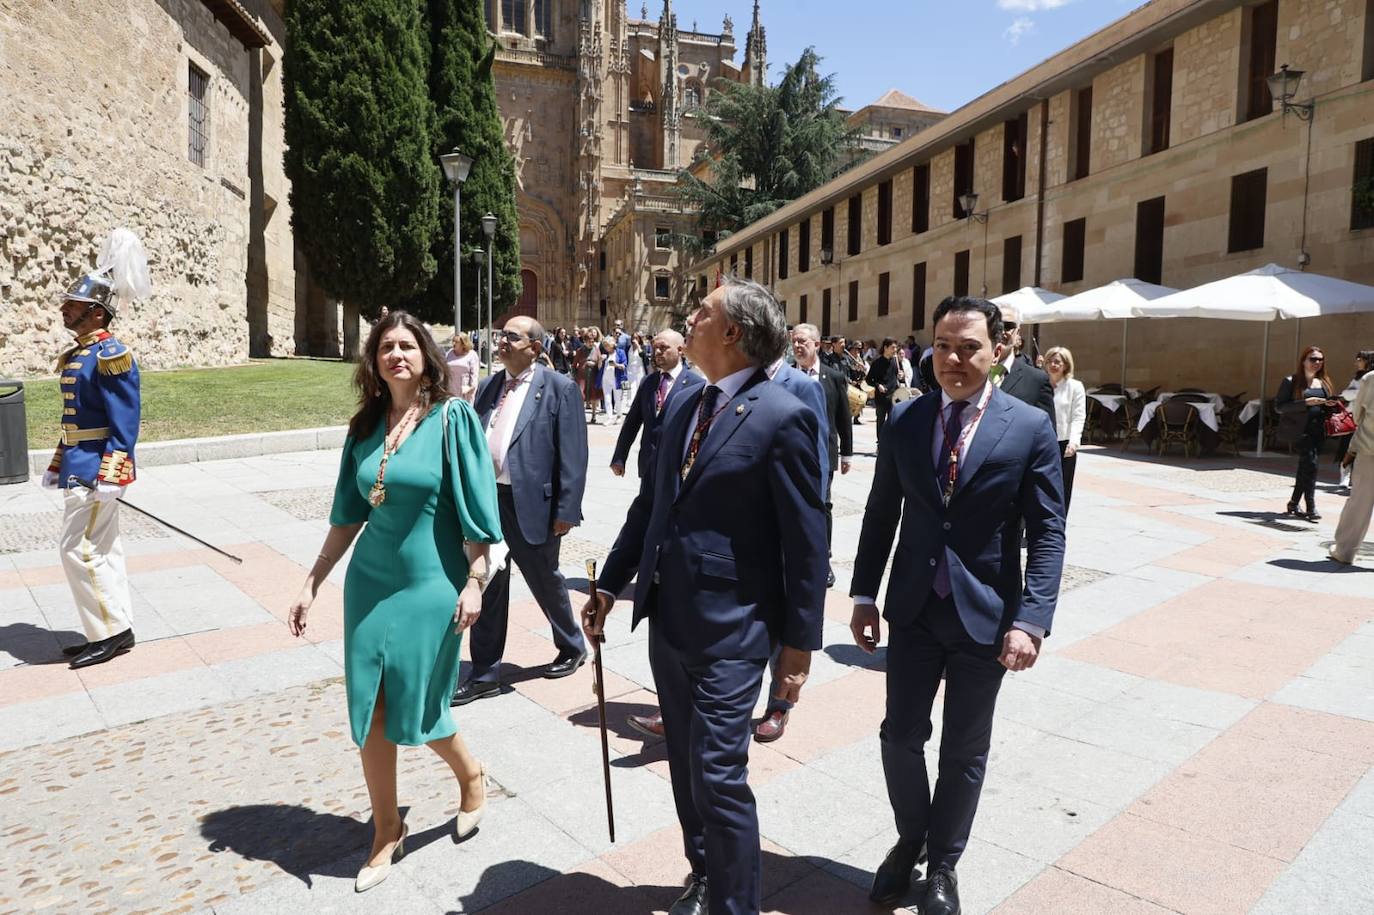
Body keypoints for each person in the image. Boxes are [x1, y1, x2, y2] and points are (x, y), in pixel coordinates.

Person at [582, 278, 828, 915]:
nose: (688, 320)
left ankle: (735, 905)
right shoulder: (688, 405)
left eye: (702, 313)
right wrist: (611, 584)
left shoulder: (784, 415)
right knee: (689, 772)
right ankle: (703, 875)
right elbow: (653, 505)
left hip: (735, 629)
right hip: (669, 620)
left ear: (733, 333)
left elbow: (807, 545)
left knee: (719, 776)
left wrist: (797, 647)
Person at [850, 296, 1064, 915]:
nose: (952, 359)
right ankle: (911, 837)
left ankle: (942, 865)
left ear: (998, 351)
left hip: (987, 616)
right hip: (914, 609)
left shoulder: (1028, 426)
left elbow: (1048, 529)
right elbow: (881, 510)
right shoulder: (906, 420)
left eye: (968, 346)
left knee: (965, 749)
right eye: (943, 345)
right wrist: (865, 592)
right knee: (899, 735)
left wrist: (1031, 620)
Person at [288, 310, 501, 893]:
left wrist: (475, 581)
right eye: (386, 347)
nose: (396, 355)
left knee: (417, 703)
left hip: (432, 584)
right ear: (373, 360)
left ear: (426, 356)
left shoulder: (452, 418)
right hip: (370, 584)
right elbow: (347, 513)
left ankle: (472, 775)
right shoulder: (363, 427)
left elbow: (481, 514)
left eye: (407, 346)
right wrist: (312, 581)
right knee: (372, 709)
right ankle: (386, 827)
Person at [452, 317, 590, 705]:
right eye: (501, 336)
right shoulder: (492, 384)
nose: (502, 342)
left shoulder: (558, 388)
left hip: (533, 504)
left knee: (544, 579)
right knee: (487, 582)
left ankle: (572, 644)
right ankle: (485, 672)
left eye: (512, 337)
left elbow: (574, 453)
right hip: (488, 500)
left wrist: (567, 509)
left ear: (534, 346)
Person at [41, 229, 150, 669]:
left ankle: (106, 632)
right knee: (103, 549)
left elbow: (125, 421)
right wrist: (56, 462)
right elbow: (76, 418)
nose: (64, 309)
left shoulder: (111, 354)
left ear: (95, 312)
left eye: (72, 305)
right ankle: (115, 628)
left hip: (97, 471)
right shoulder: (78, 356)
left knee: (78, 550)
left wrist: (113, 472)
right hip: (80, 464)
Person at [611, 329, 704, 479]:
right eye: (655, 348)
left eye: (663, 347)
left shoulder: (696, 385)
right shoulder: (648, 382)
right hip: (648, 466)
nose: (658, 352)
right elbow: (632, 422)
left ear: (680, 350)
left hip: (676, 470)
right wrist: (619, 457)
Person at [1277, 346, 1336, 521]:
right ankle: (1311, 507)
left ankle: (1294, 503)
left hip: (1319, 430)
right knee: (1311, 465)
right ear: (1303, 361)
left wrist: (1330, 405)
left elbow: (1325, 405)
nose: (1317, 362)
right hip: (1300, 431)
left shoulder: (1324, 381)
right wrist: (1306, 403)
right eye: (1312, 359)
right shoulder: (1291, 381)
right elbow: (1280, 407)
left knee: (1306, 467)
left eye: (1320, 359)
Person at [1330, 368, 1374, 564]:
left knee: (1359, 502)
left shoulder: (1370, 379)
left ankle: (1345, 550)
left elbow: (1358, 417)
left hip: (1369, 449)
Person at [992, 304, 1054, 427]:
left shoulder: (1037, 381)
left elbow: (1046, 435)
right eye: (995, 325)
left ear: (1018, 333)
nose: (1001, 331)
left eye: (1008, 326)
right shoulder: (969, 373)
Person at [1044, 346, 1086, 511]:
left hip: (1064, 444)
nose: (1053, 365)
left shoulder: (1074, 387)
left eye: (1057, 362)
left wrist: (1074, 441)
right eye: (1050, 361)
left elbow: (1078, 416)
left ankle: (1059, 525)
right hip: (1042, 441)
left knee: (1062, 489)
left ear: (1066, 365)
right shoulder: (1040, 383)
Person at [1333, 350, 1372, 493]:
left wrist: (1354, 393)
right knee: (1347, 449)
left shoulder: (1370, 378)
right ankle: (1344, 477)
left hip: (1367, 420)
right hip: (1353, 419)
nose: (1357, 362)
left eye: (1359, 359)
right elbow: (1346, 394)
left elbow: (1353, 394)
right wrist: (1355, 393)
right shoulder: (1357, 378)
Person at [867, 338, 906, 437]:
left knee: (893, 420)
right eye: (893, 348)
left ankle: (890, 443)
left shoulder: (896, 361)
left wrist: (901, 376)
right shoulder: (877, 363)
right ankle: (880, 443)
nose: (895, 350)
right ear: (885, 348)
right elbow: (869, 379)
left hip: (894, 396)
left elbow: (900, 377)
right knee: (880, 421)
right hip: (881, 397)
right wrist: (878, 385)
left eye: (896, 348)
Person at [444, 332, 480, 403]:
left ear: (463, 344)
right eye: (453, 341)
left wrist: (470, 387)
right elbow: (444, 369)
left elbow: (474, 374)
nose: (453, 343)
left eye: (456, 342)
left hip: (465, 389)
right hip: (451, 387)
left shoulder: (472, 355)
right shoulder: (449, 353)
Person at [599, 337, 626, 423]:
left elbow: (624, 365)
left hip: (616, 378)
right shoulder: (605, 355)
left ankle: (618, 416)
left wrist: (616, 365)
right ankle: (609, 417)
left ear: (613, 344)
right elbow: (600, 367)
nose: (606, 347)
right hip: (605, 378)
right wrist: (600, 360)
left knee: (617, 398)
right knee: (607, 398)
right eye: (605, 346)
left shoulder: (620, 352)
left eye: (607, 345)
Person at [626, 331, 647, 409]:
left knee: (639, 387)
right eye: (633, 337)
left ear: (639, 339)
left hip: (639, 370)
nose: (634, 339)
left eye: (636, 338)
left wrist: (638, 346)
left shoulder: (643, 346)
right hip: (630, 370)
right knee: (631, 388)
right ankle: (631, 405)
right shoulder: (629, 347)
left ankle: (638, 405)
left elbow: (643, 355)